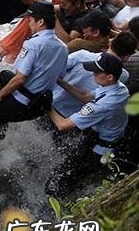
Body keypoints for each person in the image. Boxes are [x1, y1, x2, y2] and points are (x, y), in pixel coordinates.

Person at [0, 1, 67, 148]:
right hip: (40, 105)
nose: (29, 24)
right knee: (5, 74)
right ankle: (2, 121)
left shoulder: (33, 44)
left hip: (22, 104)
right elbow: (60, 75)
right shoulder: (63, 47)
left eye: (30, 20)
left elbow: (20, 78)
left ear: (41, 22)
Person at [45, 53, 130, 196]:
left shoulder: (103, 106)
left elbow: (63, 125)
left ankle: (55, 208)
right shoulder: (119, 88)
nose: (93, 73)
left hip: (99, 149)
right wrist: (59, 81)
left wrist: (46, 106)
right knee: (74, 176)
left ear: (109, 77)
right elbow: (85, 96)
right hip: (108, 138)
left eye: (97, 72)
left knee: (57, 181)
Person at [51, 33, 135, 120]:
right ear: (127, 56)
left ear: (110, 43)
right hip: (72, 118)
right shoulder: (123, 75)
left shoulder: (82, 55)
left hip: (51, 103)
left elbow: (53, 70)